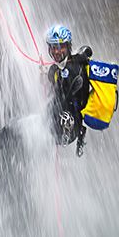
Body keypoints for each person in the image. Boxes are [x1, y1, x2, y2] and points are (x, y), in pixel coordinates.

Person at [45, 25, 92, 156]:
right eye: (53, 47)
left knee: (12, 131)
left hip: (63, 128)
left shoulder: (71, 71)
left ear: (68, 46)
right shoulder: (75, 62)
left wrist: (52, 75)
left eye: (60, 47)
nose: (56, 51)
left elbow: (60, 98)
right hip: (67, 125)